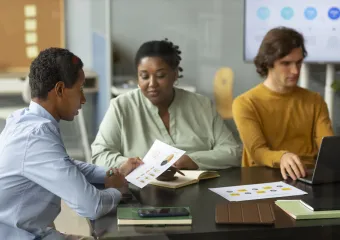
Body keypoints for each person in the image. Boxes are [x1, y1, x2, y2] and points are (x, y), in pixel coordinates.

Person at [0, 48, 142, 240]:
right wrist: (118, 190)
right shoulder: (36, 136)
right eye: (80, 89)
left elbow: (66, 165)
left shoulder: (22, 119)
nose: (83, 99)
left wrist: (113, 172)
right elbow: (92, 206)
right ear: (59, 90)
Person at [91, 39, 241, 170]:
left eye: (161, 76)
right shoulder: (121, 107)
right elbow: (100, 156)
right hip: (142, 193)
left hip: (197, 190)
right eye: (144, 76)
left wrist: (193, 160)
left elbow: (233, 151)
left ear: (175, 75)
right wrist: (134, 164)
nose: (152, 84)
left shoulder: (202, 105)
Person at [232, 27, 334, 180]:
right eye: (286, 64)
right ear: (268, 63)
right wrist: (283, 157)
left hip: (307, 177)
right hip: (263, 178)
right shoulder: (245, 103)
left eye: (299, 63)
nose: (295, 71)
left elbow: (328, 148)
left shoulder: (315, 100)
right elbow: (258, 152)